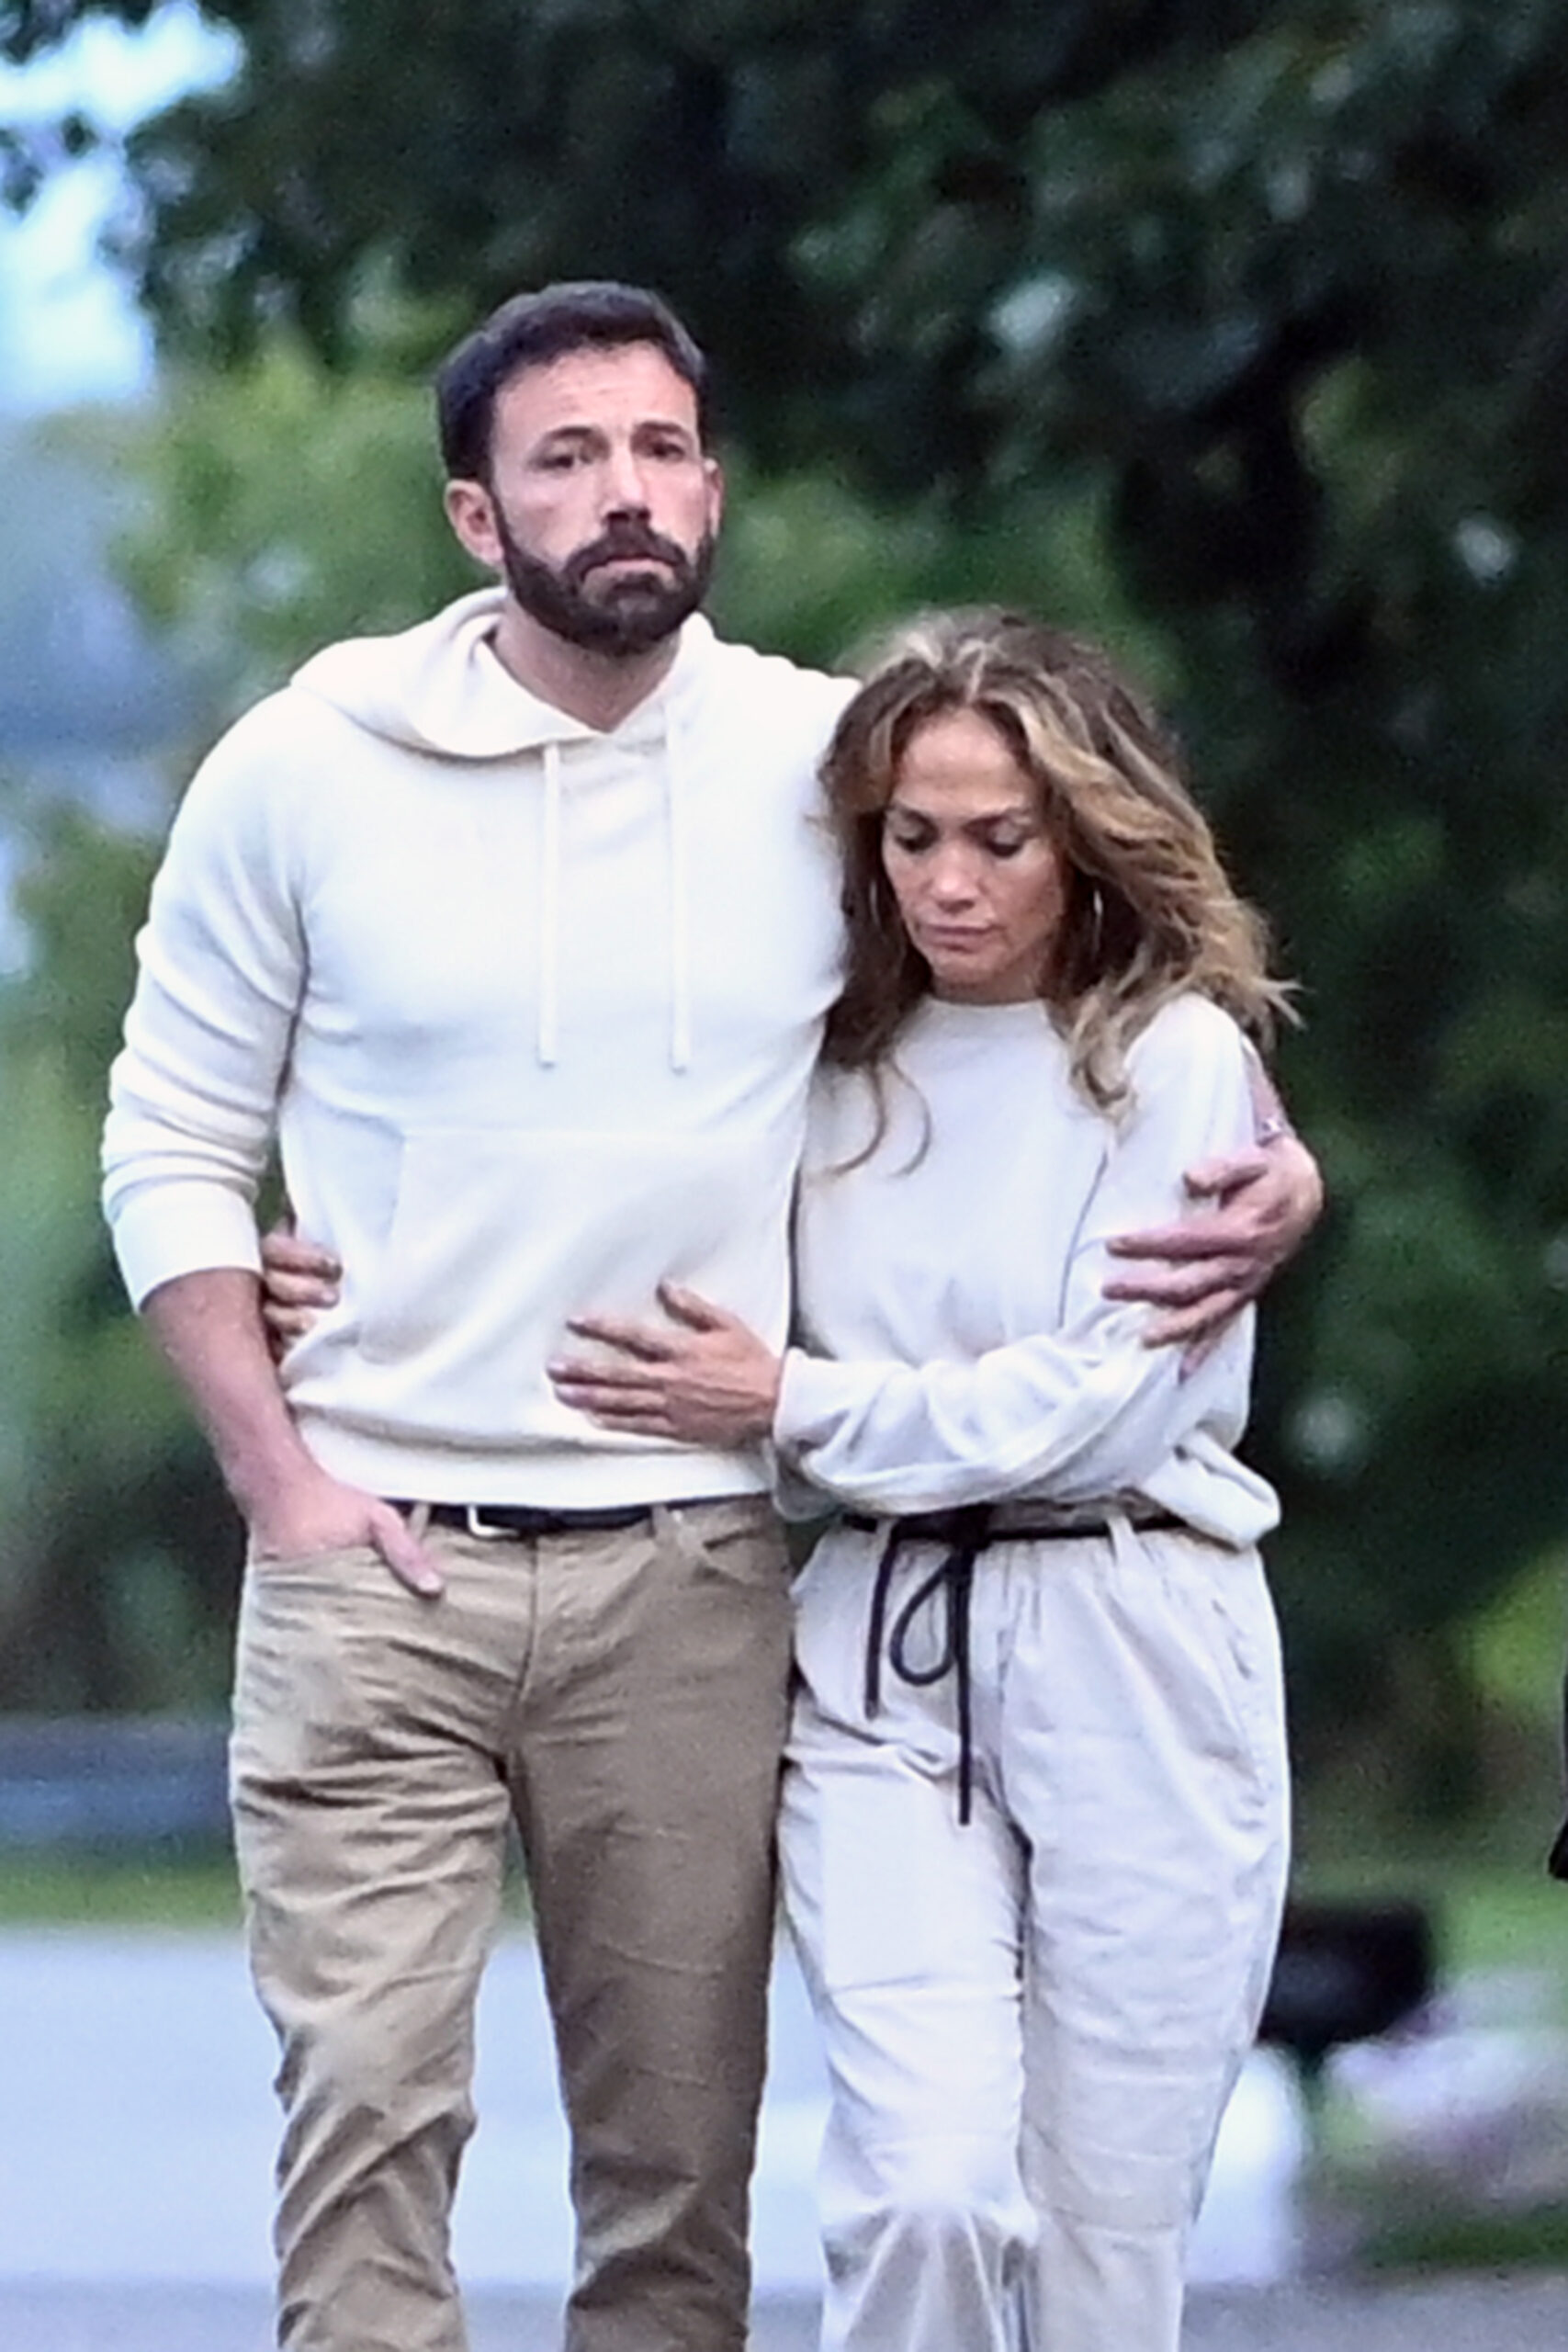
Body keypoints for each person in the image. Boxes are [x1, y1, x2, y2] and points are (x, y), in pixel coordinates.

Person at [104, 278, 1318, 2352]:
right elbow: (170, 1140)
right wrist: (281, 1479)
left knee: (679, 2187)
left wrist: (1278, 1155)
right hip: (373, 1552)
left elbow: (1052, 969)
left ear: (714, 486)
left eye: (662, 448)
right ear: (476, 514)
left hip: (689, 1559)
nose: (626, 491)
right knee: (370, 2127)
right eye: (567, 456)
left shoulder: (815, 763)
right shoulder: (299, 768)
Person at [546, 609, 1295, 2352]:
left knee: (1110, 2238)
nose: (951, 882)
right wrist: (322, 1265)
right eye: (912, 836)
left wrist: (796, 1400)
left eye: (1000, 839)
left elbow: (1097, 1410)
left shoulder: (1175, 1063)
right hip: (876, 1648)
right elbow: (608, 1235)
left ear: (1086, 838)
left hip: (1140, 1628)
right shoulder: (823, 1070)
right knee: (925, 2190)